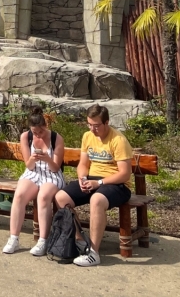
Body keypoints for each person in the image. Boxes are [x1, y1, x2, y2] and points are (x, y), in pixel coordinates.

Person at [54, 104, 133, 266]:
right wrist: (82, 178)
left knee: (96, 200)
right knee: (61, 197)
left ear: (106, 122)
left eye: (96, 125)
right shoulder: (87, 136)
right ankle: (81, 241)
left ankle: (94, 253)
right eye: (89, 124)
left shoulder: (118, 140)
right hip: (92, 179)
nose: (92, 129)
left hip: (116, 184)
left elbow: (125, 174)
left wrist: (99, 183)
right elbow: (83, 164)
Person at [3, 108, 65, 255]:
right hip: (33, 172)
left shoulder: (56, 138)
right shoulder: (26, 137)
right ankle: (13, 238)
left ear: (45, 126)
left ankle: (43, 240)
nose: (38, 135)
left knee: (43, 197)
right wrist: (32, 158)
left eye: (40, 132)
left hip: (51, 174)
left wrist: (47, 158)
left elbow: (56, 167)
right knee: (19, 195)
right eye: (34, 132)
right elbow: (29, 166)